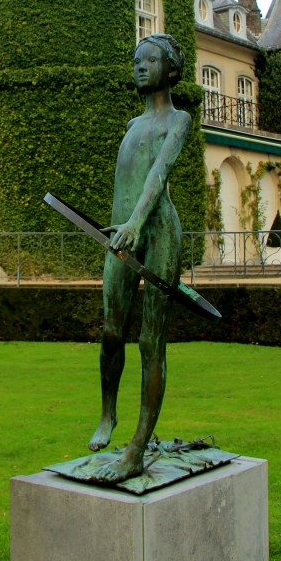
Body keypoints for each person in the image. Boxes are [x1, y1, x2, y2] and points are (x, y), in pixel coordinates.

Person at [89, 33, 191, 482]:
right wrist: (121, 226)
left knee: (151, 343)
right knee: (112, 333)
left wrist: (135, 222)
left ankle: (136, 446)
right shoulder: (132, 126)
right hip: (121, 235)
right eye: (136, 60)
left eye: (149, 59)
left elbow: (157, 175)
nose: (140, 65)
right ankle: (107, 414)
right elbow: (124, 185)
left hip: (157, 233)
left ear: (170, 69)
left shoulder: (179, 120)